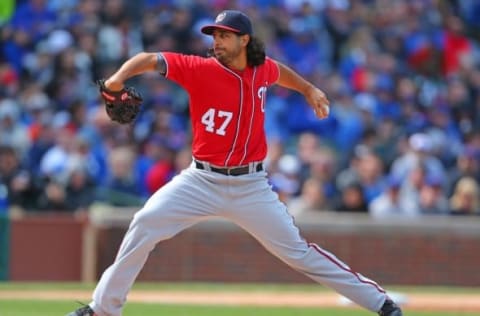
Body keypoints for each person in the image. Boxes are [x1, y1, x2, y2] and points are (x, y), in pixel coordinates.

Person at [67, 10, 402, 316]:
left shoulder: (260, 69)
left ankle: (380, 303)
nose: (217, 42)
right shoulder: (199, 69)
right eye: (214, 36)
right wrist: (115, 81)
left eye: (224, 35)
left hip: (251, 186)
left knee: (297, 252)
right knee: (145, 223)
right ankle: (103, 309)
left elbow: (278, 72)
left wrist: (309, 89)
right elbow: (148, 59)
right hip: (200, 180)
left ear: (245, 40)